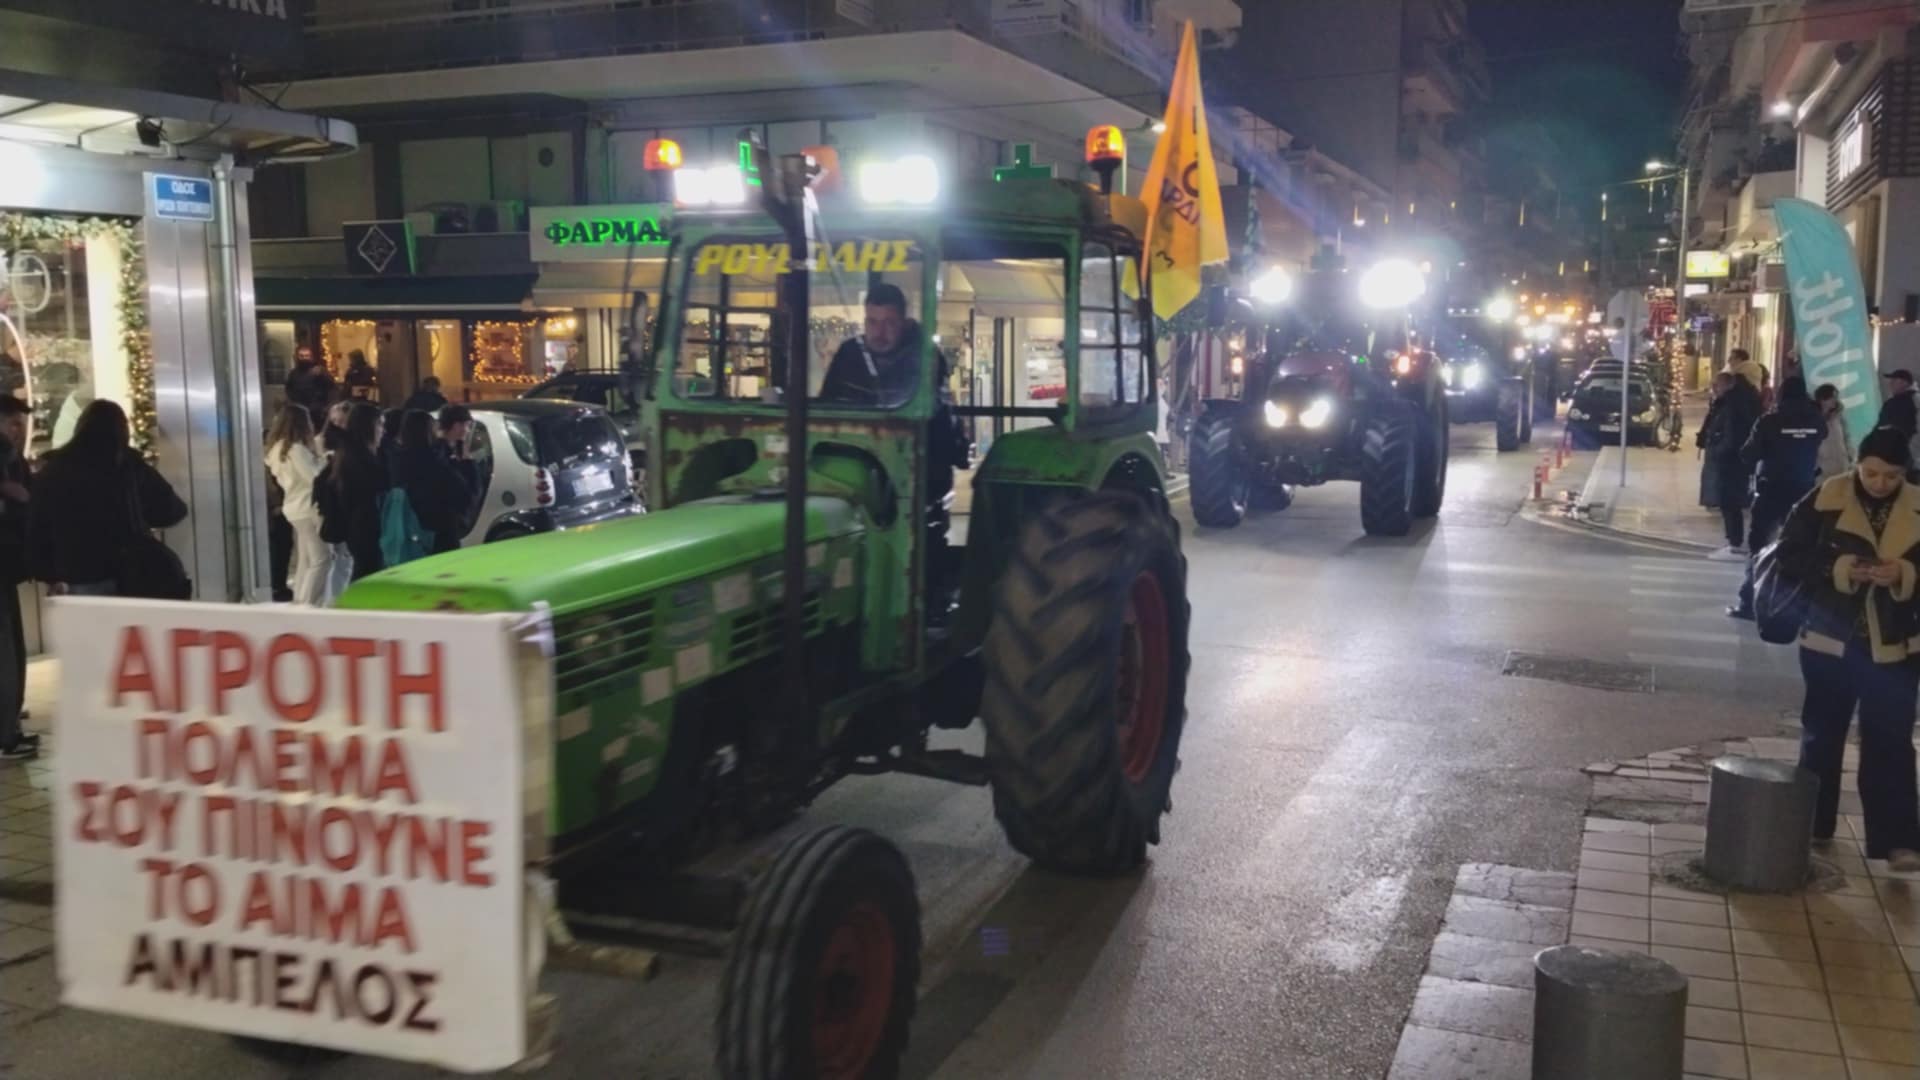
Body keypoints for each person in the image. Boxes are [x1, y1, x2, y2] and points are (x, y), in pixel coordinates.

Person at [1771, 427, 1920, 872]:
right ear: (1859, 464)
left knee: (1891, 741)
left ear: (1904, 473)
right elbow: (1789, 555)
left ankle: (1898, 842)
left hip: (1896, 645)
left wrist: (1904, 575)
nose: (1879, 484)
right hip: (1829, 638)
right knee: (1822, 734)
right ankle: (1813, 824)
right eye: (1871, 473)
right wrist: (1843, 568)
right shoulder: (1825, 498)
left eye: (1891, 477)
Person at [26, 400, 187, 596]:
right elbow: (170, 510)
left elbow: (37, 529)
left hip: (76, 577)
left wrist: (49, 575)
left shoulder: (53, 469)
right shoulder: (127, 466)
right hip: (129, 573)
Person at [1730, 376, 1825, 619]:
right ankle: (1799, 607)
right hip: (1804, 492)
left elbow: (1748, 454)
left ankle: (1750, 603)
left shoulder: (1770, 421)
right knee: (1800, 548)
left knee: (1760, 547)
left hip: (1771, 490)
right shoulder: (1817, 420)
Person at [265, 403, 335, 605]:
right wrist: (326, 460)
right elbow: (314, 476)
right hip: (308, 506)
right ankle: (309, 604)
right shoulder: (296, 450)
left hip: (293, 506)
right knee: (322, 559)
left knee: (305, 559)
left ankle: (300, 600)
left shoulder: (276, 450)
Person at [1698, 356, 1763, 560]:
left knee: (1730, 499)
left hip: (1732, 459)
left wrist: (1719, 451)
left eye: (1717, 385)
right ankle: (1734, 541)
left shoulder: (1734, 402)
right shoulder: (1746, 398)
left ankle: (1735, 543)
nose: (1714, 388)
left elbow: (1732, 433)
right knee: (1731, 499)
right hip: (1737, 458)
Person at [819, 284, 921, 405]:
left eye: (889, 323)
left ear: (903, 324)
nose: (879, 332)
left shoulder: (923, 358)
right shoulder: (848, 353)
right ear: (865, 321)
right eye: (872, 322)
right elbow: (826, 404)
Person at [390, 410, 475, 554]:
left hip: (407, 527)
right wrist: (468, 464)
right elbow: (465, 493)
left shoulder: (397, 459)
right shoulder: (433, 461)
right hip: (438, 529)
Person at [320, 402, 389, 582]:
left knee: (365, 570)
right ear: (368, 427)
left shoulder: (351, 452)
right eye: (379, 424)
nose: (383, 430)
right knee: (367, 571)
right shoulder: (357, 456)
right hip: (362, 523)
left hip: (359, 523)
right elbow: (370, 486)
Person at [0, 398, 32, 760]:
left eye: (18, 422)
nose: (18, 428)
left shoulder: (13, 459)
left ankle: (10, 723)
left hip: (8, 567)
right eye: (10, 422)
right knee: (7, 650)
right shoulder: (7, 458)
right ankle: (7, 732)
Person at [284, 344, 334, 419]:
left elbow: (331, 388)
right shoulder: (293, 373)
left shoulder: (319, 371)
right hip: (298, 412)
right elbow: (288, 389)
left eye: (307, 355)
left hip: (316, 412)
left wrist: (326, 407)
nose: (304, 358)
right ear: (297, 357)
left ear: (311, 357)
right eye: (302, 356)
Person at [1815, 383, 1852, 480]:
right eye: (1832, 397)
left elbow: (1846, 437)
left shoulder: (1838, 417)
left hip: (1843, 468)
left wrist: (1850, 455)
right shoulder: (1814, 420)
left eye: (1836, 397)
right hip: (1823, 472)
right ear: (1822, 399)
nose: (1835, 400)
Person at [1877, 369, 1917, 440]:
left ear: (1904, 383)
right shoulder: (1915, 399)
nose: (1890, 383)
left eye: (1894, 380)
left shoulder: (1893, 404)